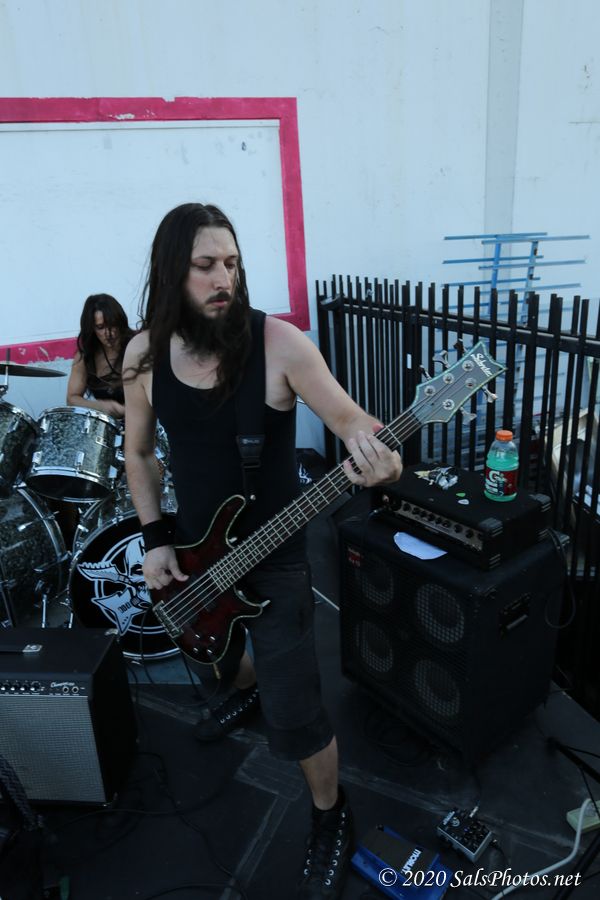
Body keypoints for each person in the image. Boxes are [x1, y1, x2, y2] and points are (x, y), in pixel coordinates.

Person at [122, 203, 402, 900]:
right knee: (213, 653)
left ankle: (330, 813)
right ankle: (241, 691)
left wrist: (382, 456)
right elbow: (138, 453)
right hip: (194, 549)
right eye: (205, 265)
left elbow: (352, 420)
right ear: (171, 271)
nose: (224, 278)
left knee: (295, 709)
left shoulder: (280, 344)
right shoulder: (143, 354)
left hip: (274, 555)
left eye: (232, 263)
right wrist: (155, 537)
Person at [66, 293, 135, 419]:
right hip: (108, 425)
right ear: (91, 329)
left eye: (113, 324)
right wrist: (101, 406)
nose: (109, 333)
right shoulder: (86, 355)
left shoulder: (136, 346)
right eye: (100, 327)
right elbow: (72, 399)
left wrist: (127, 410)